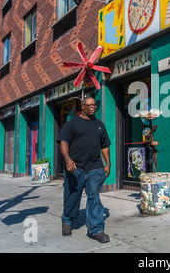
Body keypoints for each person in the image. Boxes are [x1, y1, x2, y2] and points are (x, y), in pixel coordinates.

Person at [56, 97, 111, 243]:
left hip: (95, 167)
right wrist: (68, 159)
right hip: (76, 168)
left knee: (94, 197)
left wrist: (108, 163)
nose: (93, 107)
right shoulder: (72, 124)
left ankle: (96, 230)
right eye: (90, 105)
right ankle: (67, 220)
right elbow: (64, 143)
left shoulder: (99, 125)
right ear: (83, 106)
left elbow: (105, 145)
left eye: (94, 105)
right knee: (72, 196)